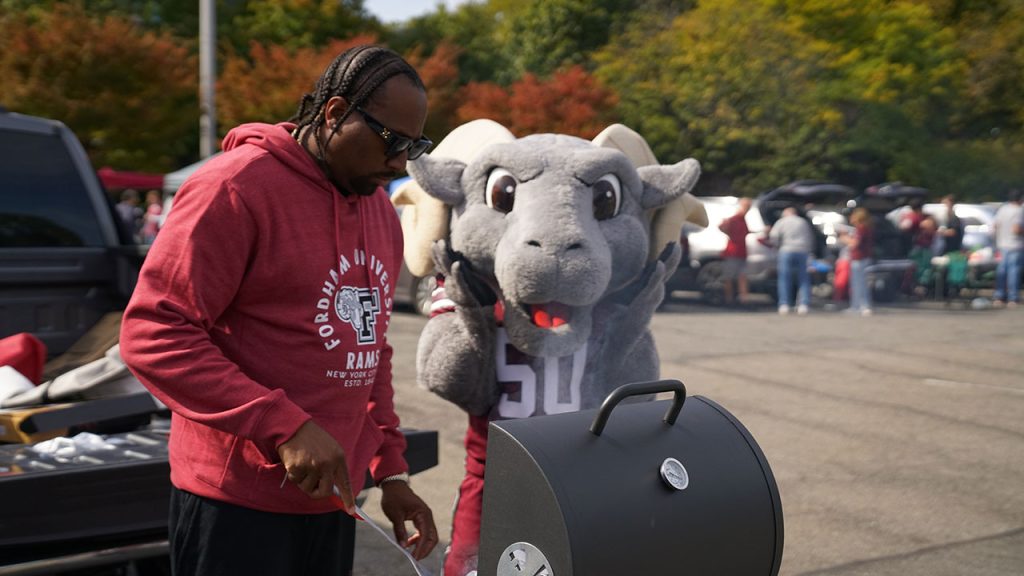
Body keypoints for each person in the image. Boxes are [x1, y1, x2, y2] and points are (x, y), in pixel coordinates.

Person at [119, 45, 438, 575]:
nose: (400, 162)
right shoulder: (235, 186)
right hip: (233, 505)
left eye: (414, 145)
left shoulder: (378, 209)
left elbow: (369, 351)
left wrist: (390, 471)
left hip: (332, 501)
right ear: (335, 113)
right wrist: (283, 425)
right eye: (391, 141)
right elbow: (154, 332)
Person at [769, 206, 815, 315]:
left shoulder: (782, 222)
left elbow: (774, 237)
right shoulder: (803, 222)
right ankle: (803, 305)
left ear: (786, 213)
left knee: (784, 278)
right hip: (802, 250)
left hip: (786, 250)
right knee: (803, 278)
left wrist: (776, 247)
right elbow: (809, 237)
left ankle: (784, 304)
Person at [992, 188, 1023, 308]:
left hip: (1002, 244)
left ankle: (999, 295)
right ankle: (1013, 297)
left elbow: (995, 225)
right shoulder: (1018, 211)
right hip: (1015, 245)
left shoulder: (1003, 209)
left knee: (1002, 271)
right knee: (1014, 272)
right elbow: (1016, 229)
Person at [841, 207, 875, 316]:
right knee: (861, 283)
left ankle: (860, 306)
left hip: (859, 258)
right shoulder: (867, 228)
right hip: (864, 258)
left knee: (858, 284)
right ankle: (859, 305)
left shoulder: (860, 229)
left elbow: (854, 244)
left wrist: (844, 238)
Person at [719, 197, 752, 306]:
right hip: (733, 252)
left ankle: (743, 299)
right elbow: (722, 226)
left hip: (741, 252)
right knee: (730, 276)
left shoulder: (743, 219)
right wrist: (727, 232)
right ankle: (729, 299)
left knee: (742, 276)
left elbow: (745, 232)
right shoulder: (734, 219)